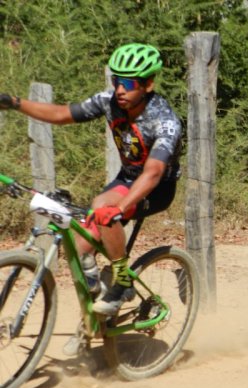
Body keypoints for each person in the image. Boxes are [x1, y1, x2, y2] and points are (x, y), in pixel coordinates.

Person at [0, 42, 183, 316]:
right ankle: (94, 315)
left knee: (103, 209)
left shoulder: (165, 121)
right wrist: (15, 103)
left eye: (129, 82)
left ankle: (122, 280)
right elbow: (62, 114)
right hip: (128, 177)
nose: (120, 89)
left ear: (147, 84)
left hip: (156, 188)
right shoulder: (109, 102)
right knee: (78, 244)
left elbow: (154, 172)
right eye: (116, 80)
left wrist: (119, 208)